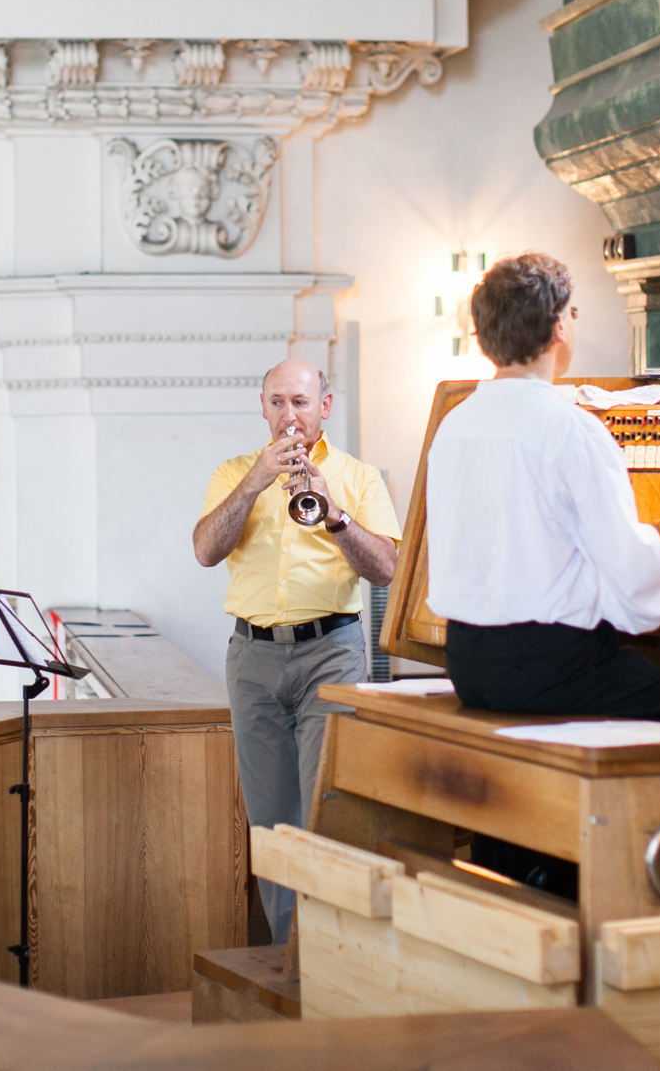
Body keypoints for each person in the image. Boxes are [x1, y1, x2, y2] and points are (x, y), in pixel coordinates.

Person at [423, 251, 660, 740]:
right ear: (559, 327)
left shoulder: (456, 422)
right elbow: (627, 561)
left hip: (468, 662)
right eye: (573, 313)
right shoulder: (570, 428)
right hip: (550, 668)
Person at [194, 359, 400, 943]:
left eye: (302, 403)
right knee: (272, 820)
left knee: (326, 810)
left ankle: (334, 953)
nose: (290, 415)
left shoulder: (358, 477)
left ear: (324, 408)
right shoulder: (234, 472)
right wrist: (256, 482)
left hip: (330, 654)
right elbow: (206, 551)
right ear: (262, 408)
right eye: (278, 402)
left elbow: (385, 570)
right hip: (253, 659)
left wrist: (334, 514)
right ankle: (293, 959)